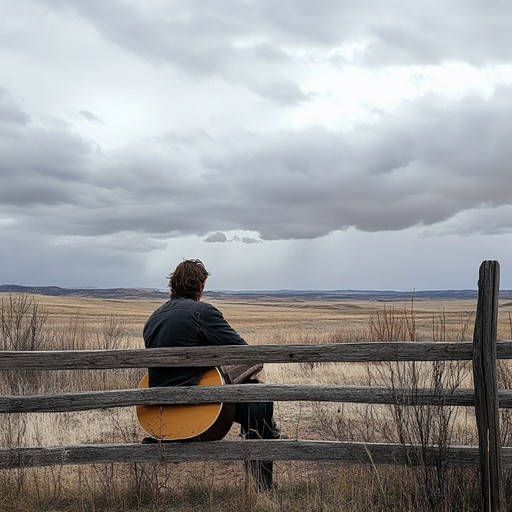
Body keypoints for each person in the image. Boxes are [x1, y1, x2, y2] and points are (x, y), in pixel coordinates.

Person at [142, 259, 285, 490]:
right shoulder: (202, 313)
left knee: (251, 396)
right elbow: (244, 352)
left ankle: (269, 436)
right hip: (197, 411)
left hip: (160, 415)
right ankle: (263, 481)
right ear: (200, 286)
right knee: (259, 398)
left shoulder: (154, 318)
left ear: (173, 284)